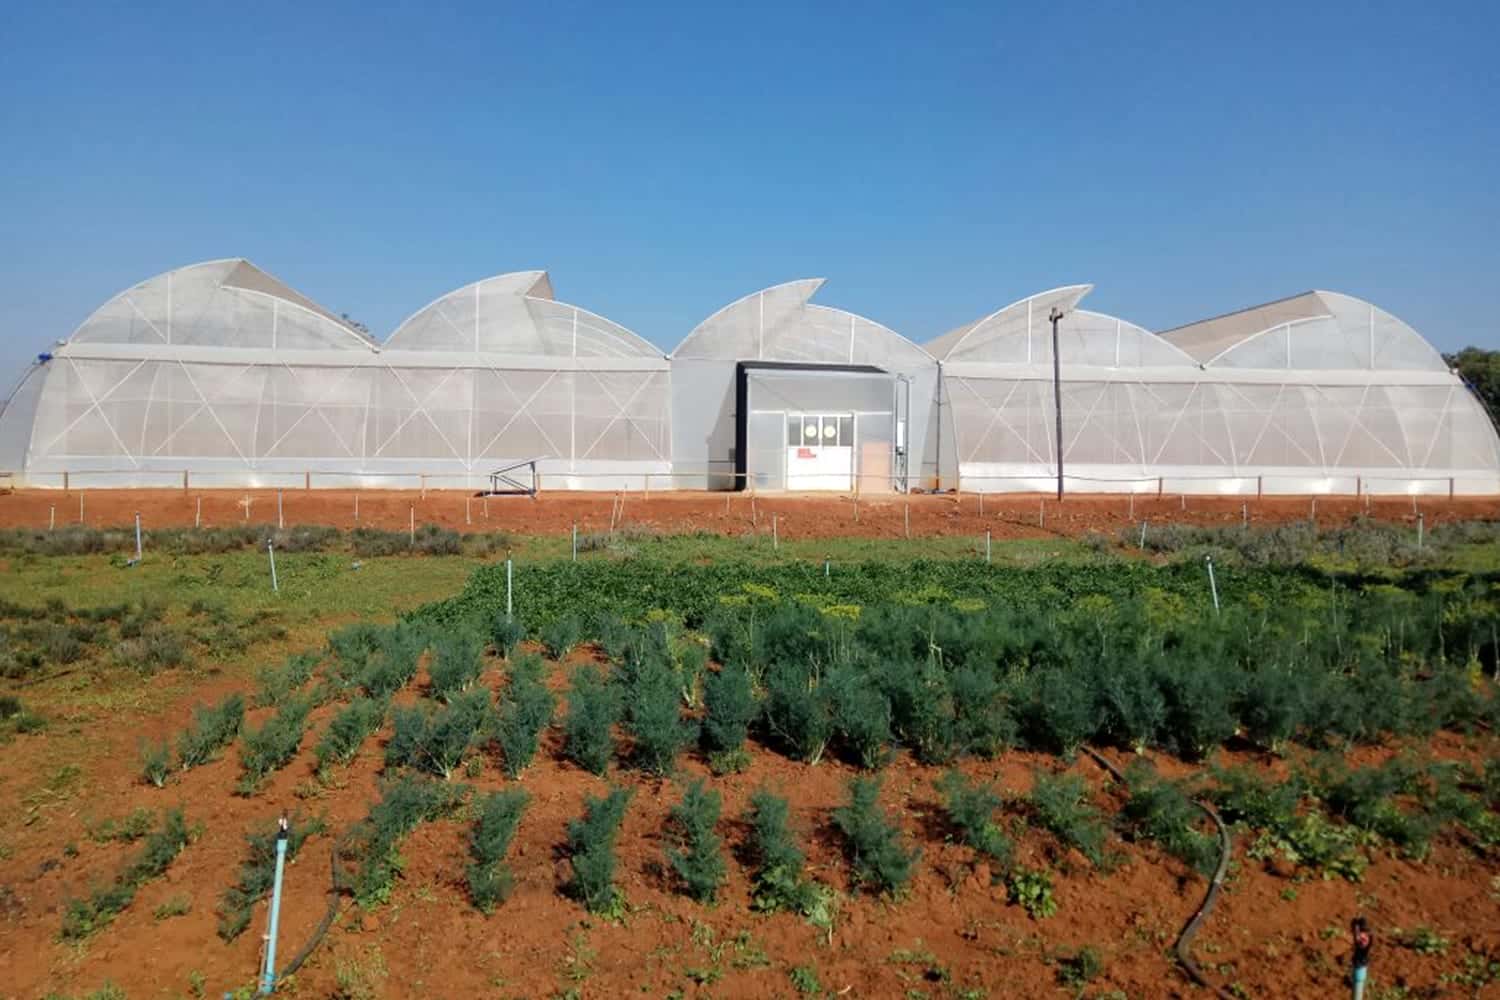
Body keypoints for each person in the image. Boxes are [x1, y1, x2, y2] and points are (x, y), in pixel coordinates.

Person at [1351, 916, 1373, 1000]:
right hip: (1359, 964)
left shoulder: (1365, 938)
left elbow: (1360, 941)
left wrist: (1356, 932)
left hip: (1360, 965)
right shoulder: (1366, 936)